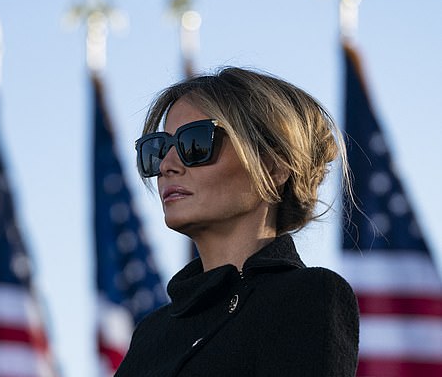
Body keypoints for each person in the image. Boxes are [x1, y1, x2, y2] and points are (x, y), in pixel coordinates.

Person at [115, 67, 359, 376]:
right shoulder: (150, 333)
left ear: (273, 166)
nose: (167, 165)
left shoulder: (306, 297)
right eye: (159, 148)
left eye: (196, 143)